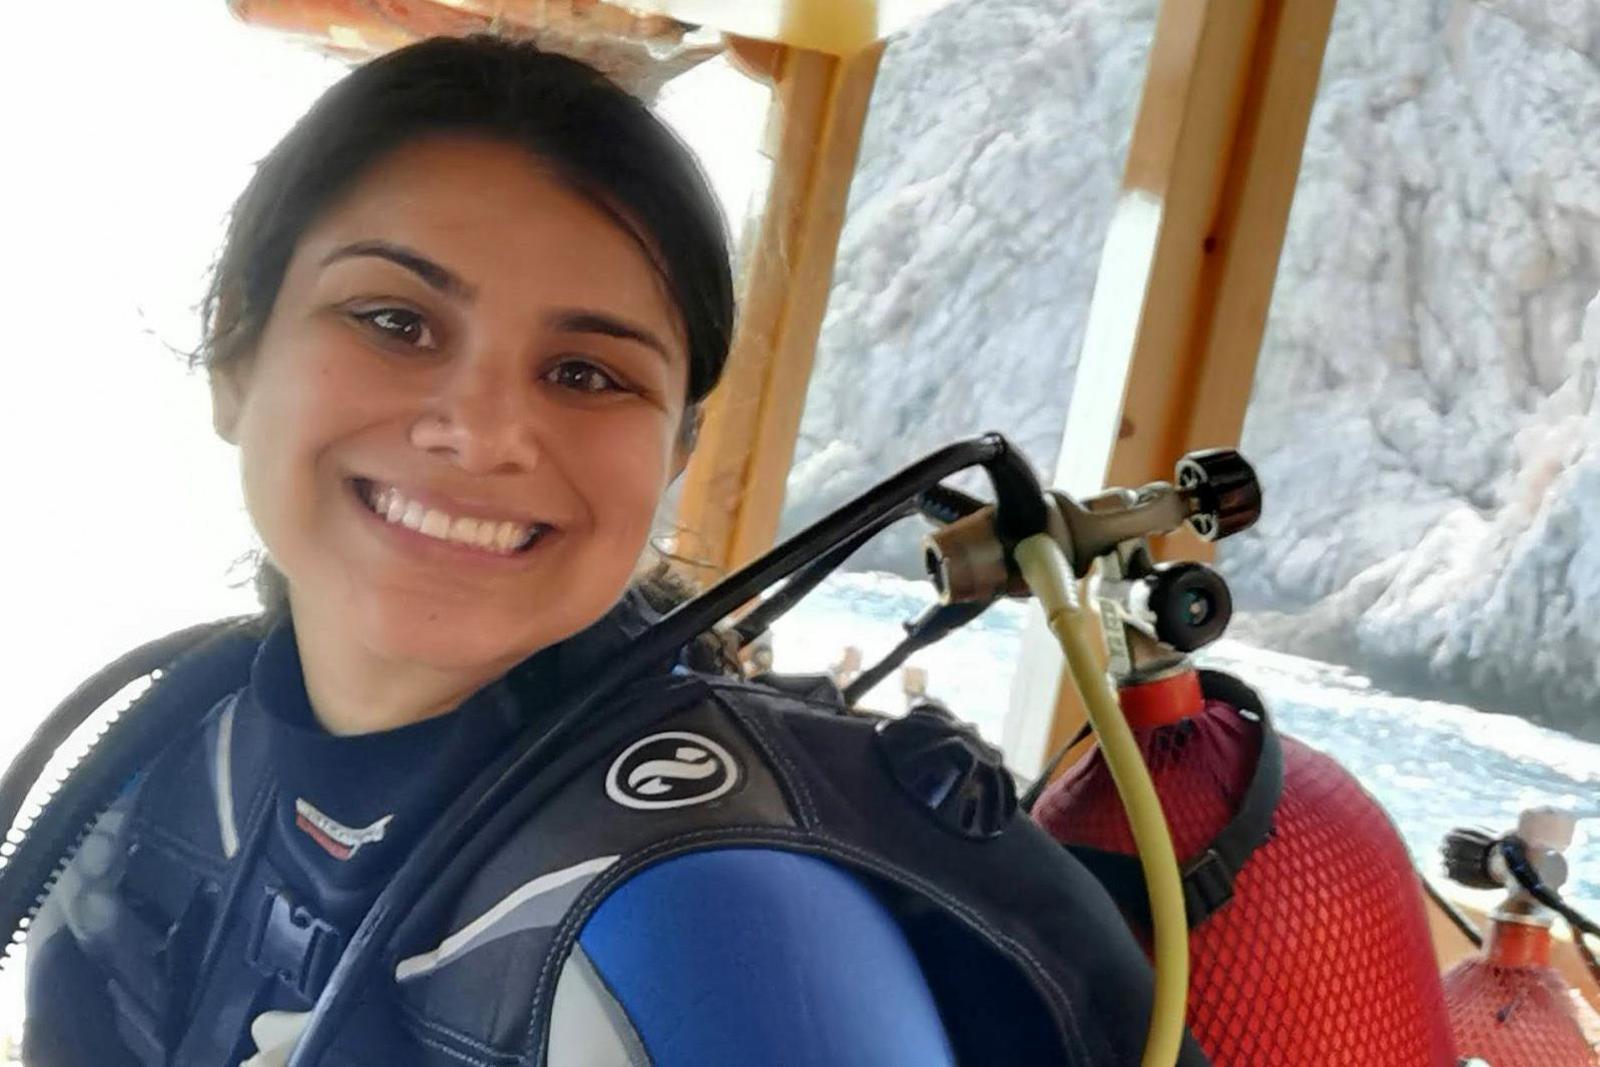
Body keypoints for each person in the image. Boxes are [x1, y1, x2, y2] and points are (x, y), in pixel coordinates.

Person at [21, 35, 1204, 1067]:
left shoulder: (715, 925)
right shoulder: (161, 760)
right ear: (238, 359)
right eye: (395, 321)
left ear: (677, 447)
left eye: (586, 373)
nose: (480, 432)